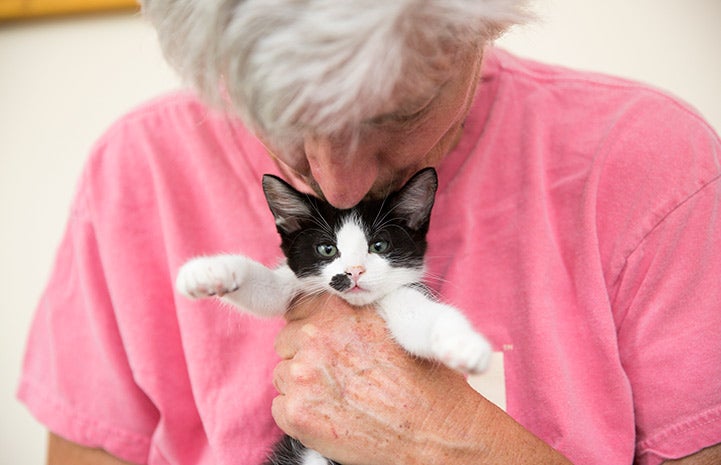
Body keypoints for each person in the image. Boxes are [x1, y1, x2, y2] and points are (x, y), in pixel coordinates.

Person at [17, 0, 721, 464]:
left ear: (483, 29)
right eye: (286, 120)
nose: (340, 185)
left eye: (395, 113)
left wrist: (456, 445)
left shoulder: (652, 168)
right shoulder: (137, 170)